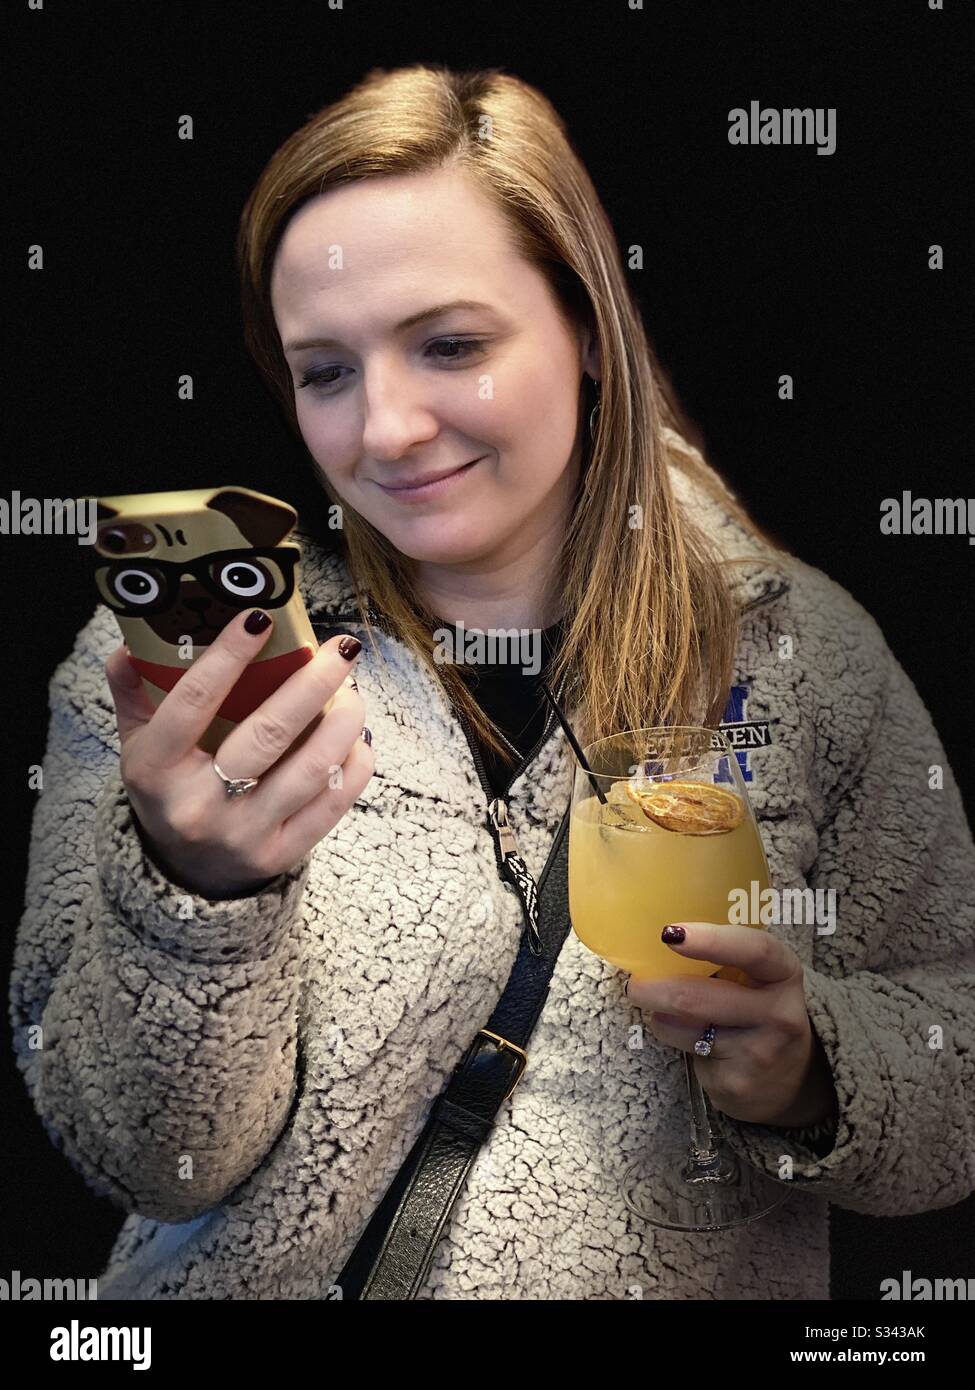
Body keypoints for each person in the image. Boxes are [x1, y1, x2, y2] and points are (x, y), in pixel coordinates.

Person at [11, 63, 975, 1301]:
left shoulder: (806, 660)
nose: (386, 429)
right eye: (326, 371)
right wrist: (196, 891)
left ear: (586, 329)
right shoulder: (175, 683)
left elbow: (953, 1043)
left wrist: (815, 1069)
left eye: (450, 344)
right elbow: (148, 1162)